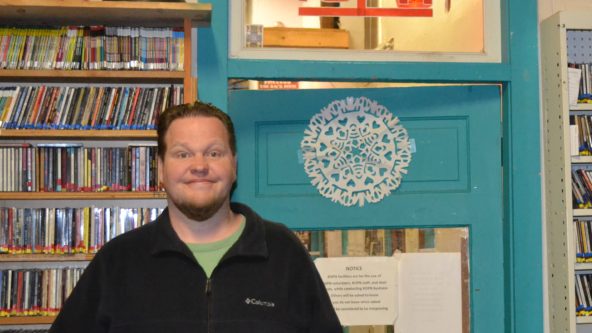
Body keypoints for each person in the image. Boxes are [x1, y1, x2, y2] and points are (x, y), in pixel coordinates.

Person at [49, 101, 342, 333]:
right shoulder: (118, 261)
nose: (199, 166)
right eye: (183, 154)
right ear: (161, 169)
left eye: (214, 153)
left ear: (234, 166)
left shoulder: (284, 253)